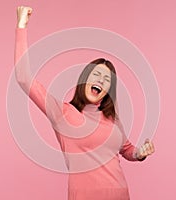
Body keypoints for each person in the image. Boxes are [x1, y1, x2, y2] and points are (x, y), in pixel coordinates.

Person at [14, 6, 155, 200]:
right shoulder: (63, 113)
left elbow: (127, 149)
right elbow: (23, 78)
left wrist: (140, 153)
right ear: (84, 80)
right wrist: (22, 25)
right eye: (96, 75)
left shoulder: (112, 119)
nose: (100, 80)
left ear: (108, 91)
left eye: (107, 80)